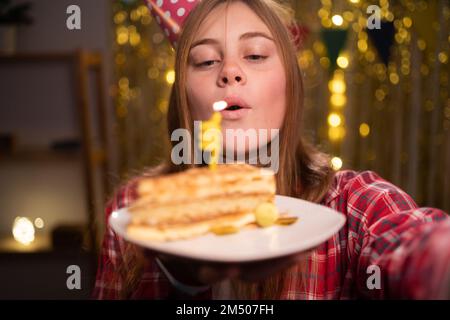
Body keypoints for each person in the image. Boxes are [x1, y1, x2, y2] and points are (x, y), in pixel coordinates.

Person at [92, 0, 450, 299]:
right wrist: (181, 283)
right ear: (182, 96)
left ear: (290, 85)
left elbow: (410, 241)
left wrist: (437, 261)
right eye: (205, 61)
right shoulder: (132, 209)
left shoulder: (354, 204)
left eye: (256, 55)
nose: (230, 72)